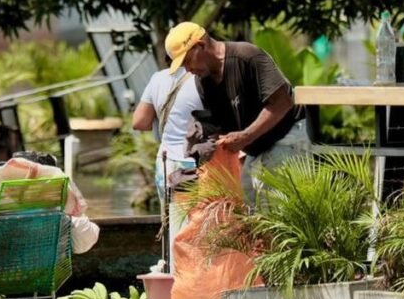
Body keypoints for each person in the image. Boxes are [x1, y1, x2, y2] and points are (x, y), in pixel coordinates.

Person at [166, 21, 309, 202]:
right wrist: (203, 144)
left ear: (200, 46)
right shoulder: (203, 82)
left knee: (273, 203)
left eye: (187, 61)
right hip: (256, 145)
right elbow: (223, 126)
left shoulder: (247, 56)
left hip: (287, 135)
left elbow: (283, 102)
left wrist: (246, 136)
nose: (188, 69)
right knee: (247, 200)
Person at [131, 67, 203, 198]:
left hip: (166, 163)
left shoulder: (158, 78)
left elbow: (139, 122)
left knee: (169, 211)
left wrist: (164, 123)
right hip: (198, 163)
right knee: (201, 211)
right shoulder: (204, 75)